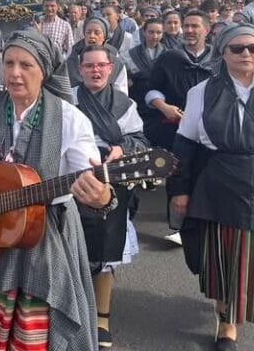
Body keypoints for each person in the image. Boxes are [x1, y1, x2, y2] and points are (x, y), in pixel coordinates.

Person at [0, 28, 109, 351]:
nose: (14, 73)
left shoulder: (70, 119)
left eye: (26, 65)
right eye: (9, 63)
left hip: (46, 239)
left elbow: (94, 183)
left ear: (44, 70)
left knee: (38, 336)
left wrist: (103, 196)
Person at [167, 23, 254, 351]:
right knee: (223, 259)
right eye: (237, 49)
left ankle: (250, 308)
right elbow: (185, 145)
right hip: (220, 182)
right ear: (222, 52)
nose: (247, 54)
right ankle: (227, 324)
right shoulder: (202, 92)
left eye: (253, 48)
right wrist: (179, 191)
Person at [72, 44, 148, 349]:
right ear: (80, 69)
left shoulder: (124, 104)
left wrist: (122, 148)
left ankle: (101, 316)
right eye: (89, 66)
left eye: (101, 65)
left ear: (110, 68)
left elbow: (140, 139)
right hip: (71, 178)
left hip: (110, 179)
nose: (95, 71)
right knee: (69, 247)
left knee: (105, 252)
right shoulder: (67, 99)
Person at [145, 10, 215, 152]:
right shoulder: (168, 57)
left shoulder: (219, 59)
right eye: (186, 26)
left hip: (211, 130)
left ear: (206, 30)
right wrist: (164, 107)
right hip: (174, 129)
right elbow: (152, 90)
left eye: (195, 26)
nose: (189, 30)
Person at [67, 16, 128, 94]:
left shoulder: (115, 59)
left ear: (104, 37)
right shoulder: (73, 54)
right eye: (88, 32)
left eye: (97, 32)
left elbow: (121, 93)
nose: (92, 36)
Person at [122, 18, 165, 120]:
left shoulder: (167, 54)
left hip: (161, 102)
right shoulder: (130, 54)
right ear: (144, 32)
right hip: (138, 100)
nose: (155, 36)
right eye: (151, 32)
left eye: (158, 32)